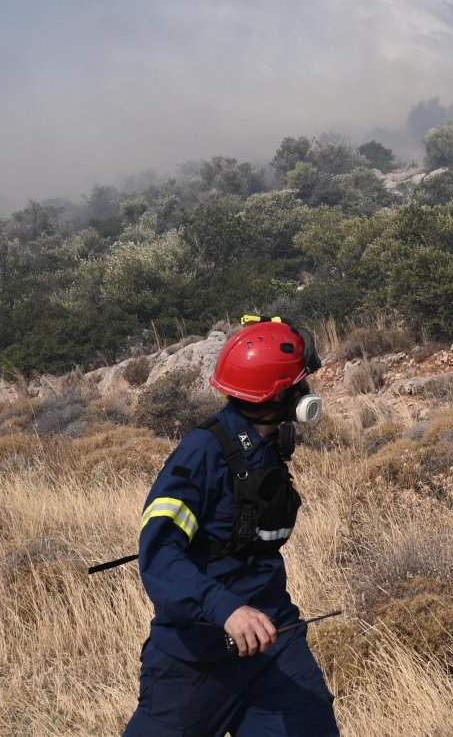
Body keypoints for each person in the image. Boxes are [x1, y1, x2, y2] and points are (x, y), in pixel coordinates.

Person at [122, 315, 340, 737]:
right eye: (301, 382)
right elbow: (160, 554)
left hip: (276, 641)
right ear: (285, 395)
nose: (308, 390)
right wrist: (227, 610)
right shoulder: (200, 454)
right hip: (199, 657)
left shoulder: (269, 446)